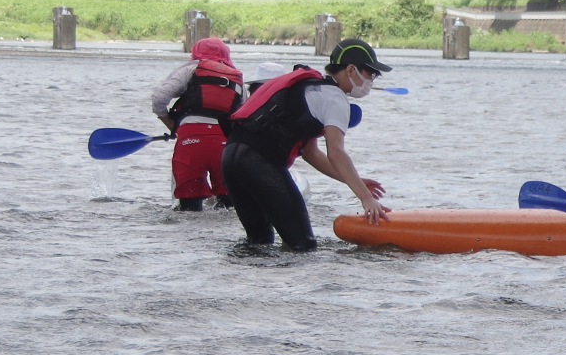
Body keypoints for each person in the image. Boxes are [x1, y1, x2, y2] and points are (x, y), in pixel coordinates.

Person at [220, 38, 391, 250]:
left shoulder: (308, 87)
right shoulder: (335, 99)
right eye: (370, 73)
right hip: (258, 162)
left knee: (260, 241)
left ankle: (240, 281)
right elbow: (336, 153)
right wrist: (366, 198)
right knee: (302, 244)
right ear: (350, 69)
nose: (372, 80)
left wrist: (354, 180)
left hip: (231, 158)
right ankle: (287, 283)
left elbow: (311, 154)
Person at [151, 36, 243, 212]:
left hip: (190, 142)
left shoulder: (189, 69)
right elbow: (243, 115)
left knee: (189, 208)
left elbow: (158, 99)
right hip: (224, 146)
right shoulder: (236, 77)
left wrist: (171, 125)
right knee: (228, 206)